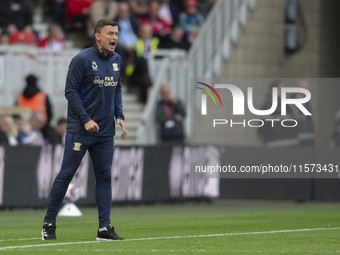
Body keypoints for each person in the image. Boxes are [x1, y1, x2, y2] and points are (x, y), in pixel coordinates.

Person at [42, 19, 127, 241]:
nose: (115, 38)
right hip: (80, 129)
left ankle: (104, 228)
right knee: (66, 174)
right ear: (97, 36)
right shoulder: (81, 59)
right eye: (110, 33)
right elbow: (70, 91)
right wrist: (86, 119)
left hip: (105, 131)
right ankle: (49, 223)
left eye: (116, 33)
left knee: (104, 177)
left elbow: (117, 88)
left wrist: (120, 115)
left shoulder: (117, 60)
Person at [257, 81, 299, 147]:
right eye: (280, 89)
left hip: (291, 143)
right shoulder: (268, 105)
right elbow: (264, 124)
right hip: (274, 143)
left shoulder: (289, 105)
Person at [294, 80, 315, 147]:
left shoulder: (308, 103)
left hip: (308, 139)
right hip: (297, 139)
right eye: (305, 88)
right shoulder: (291, 102)